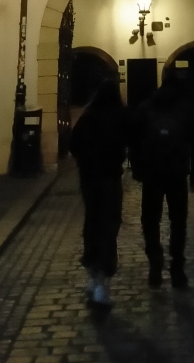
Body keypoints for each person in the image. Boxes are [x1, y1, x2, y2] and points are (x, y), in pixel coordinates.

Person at [129, 69, 194, 290]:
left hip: (152, 173)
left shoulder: (146, 107)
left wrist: (137, 168)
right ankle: (177, 268)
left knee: (150, 219)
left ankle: (155, 261)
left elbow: (134, 141)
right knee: (178, 221)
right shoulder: (186, 108)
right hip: (177, 173)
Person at [69, 78, 129, 307]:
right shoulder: (119, 117)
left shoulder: (88, 117)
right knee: (109, 226)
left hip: (90, 181)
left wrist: (86, 162)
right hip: (110, 179)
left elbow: (73, 144)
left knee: (92, 224)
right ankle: (102, 279)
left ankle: (93, 274)